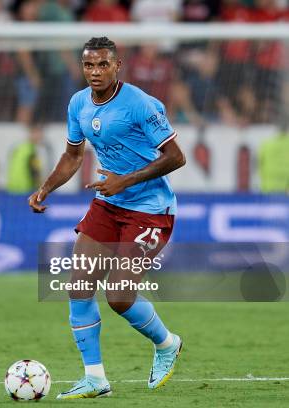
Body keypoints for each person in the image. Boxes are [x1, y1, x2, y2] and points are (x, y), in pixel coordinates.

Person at [28, 37, 186, 399]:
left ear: (118, 66)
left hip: (149, 210)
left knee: (118, 295)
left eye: (102, 65)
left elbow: (176, 157)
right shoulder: (78, 103)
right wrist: (45, 188)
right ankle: (95, 377)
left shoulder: (141, 105)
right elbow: (72, 156)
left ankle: (167, 343)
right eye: (88, 66)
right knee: (79, 285)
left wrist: (125, 180)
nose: (95, 72)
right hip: (108, 204)